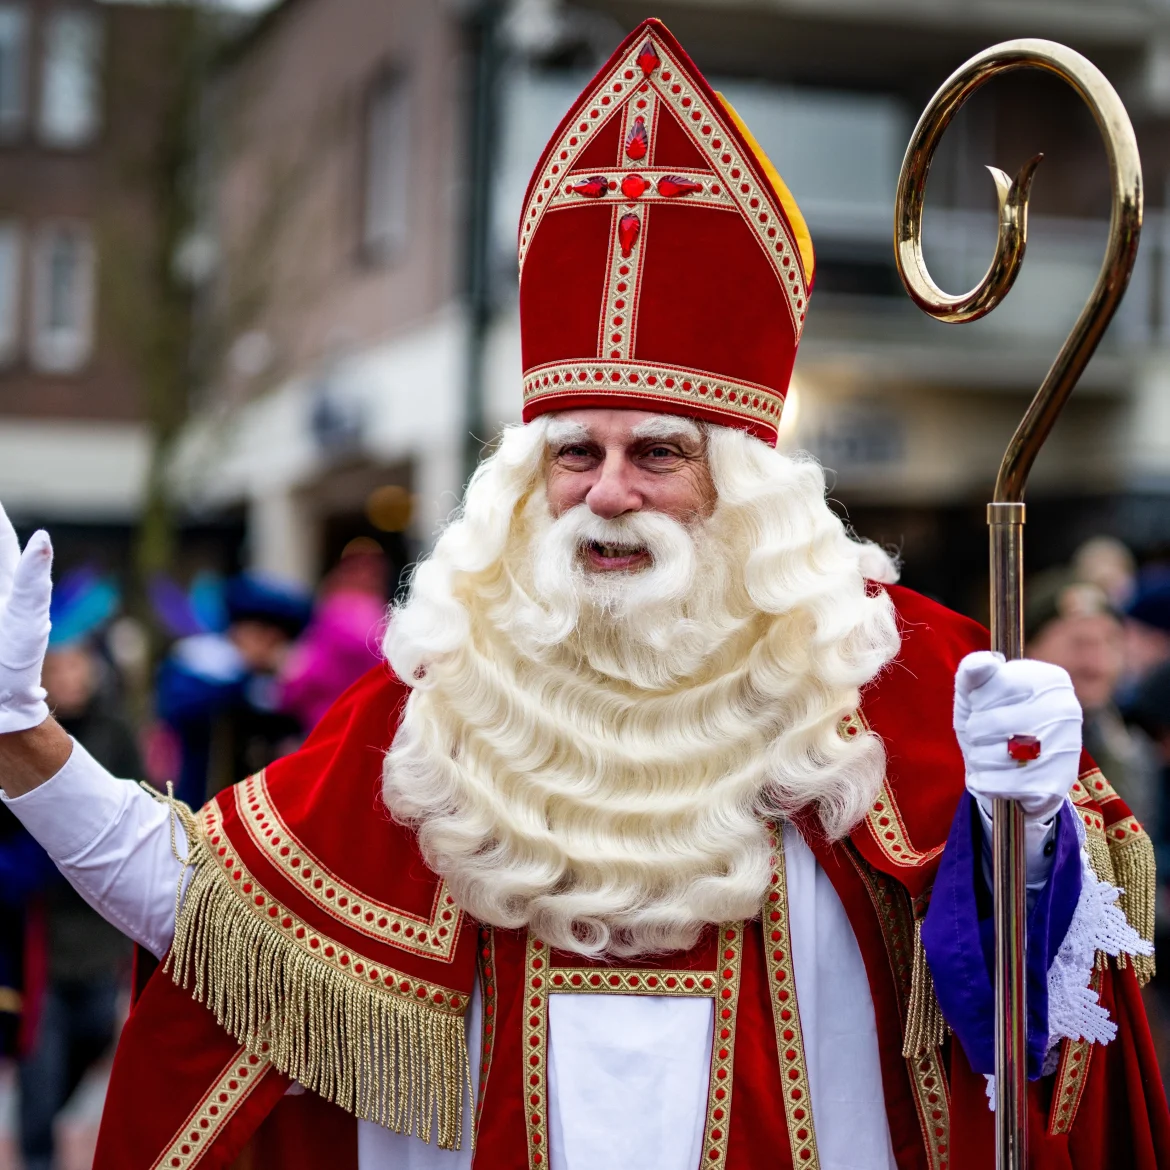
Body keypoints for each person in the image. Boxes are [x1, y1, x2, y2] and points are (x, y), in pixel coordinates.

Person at [0, 20, 1165, 1169]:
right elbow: (217, 920)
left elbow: (1035, 1018)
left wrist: (1034, 829)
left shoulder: (889, 673)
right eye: (575, 453)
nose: (608, 493)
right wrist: (24, 739)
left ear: (745, 488)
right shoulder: (454, 696)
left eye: (657, 453)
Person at [14, 637, 142, 1170]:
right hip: (40, 935)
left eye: (77, 665)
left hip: (100, 928)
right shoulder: (18, 736)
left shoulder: (115, 734)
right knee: (38, 1064)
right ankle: (37, 1153)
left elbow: (140, 800)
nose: (70, 676)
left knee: (93, 1038)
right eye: (58, 666)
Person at [155, 570, 312, 806]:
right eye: (259, 636)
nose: (265, 647)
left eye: (274, 640)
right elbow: (177, 710)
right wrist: (242, 679)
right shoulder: (199, 661)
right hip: (197, 795)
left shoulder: (275, 682)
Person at [1025, 569, 1159, 828]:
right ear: (1029, 648)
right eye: (1079, 643)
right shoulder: (1001, 746)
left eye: (1109, 643)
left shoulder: (1133, 751)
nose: (1096, 662)